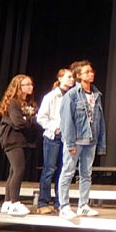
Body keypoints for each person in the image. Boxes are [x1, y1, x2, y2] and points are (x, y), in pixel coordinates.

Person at [57, 61, 106, 220]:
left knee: (86, 174)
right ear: (78, 76)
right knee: (68, 172)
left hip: (90, 140)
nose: (91, 74)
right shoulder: (72, 95)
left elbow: (100, 120)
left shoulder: (96, 94)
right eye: (87, 72)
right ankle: (64, 206)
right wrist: (70, 143)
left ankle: (83, 205)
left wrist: (100, 142)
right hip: (75, 140)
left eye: (91, 71)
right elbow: (66, 120)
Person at [0, 74, 40, 217]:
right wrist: (30, 120)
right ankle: (15, 202)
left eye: (31, 84)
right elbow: (18, 123)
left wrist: (28, 119)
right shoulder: (13, 103)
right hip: (12, 140)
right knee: (19, 169)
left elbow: (35, 120)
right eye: (27, 84)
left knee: (13, 171)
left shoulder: (29, 104)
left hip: (24, 141)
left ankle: (8, 202)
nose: (31, 87)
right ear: (19, 87)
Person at [35, 68, 76, 214]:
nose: (72, 79)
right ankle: (43, 203)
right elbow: (41, 117)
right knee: (49, 169)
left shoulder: (73, 96)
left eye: (73, 77)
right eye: (69, 77)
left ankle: (60, 203)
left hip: (68, 137)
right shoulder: (51, 96)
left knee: (63, 170)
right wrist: (55, 128)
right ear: (60, 79)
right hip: (54, 136)